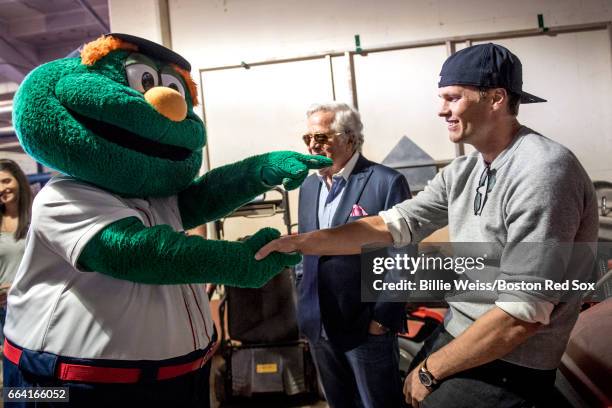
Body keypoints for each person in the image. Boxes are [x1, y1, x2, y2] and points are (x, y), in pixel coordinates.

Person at [256, 43, 599, 407]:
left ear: (496, 98)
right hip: (460, 333)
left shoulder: (542, 171)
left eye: (452, 98)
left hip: (509, 360)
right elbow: (393, 225)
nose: (441, 110)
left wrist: (429, 370)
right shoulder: (466, 170)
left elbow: (522, 314)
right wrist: (300, 243)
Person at [297, 102, 411, 408]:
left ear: (350, 137)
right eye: (307, 139)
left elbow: (403, 258)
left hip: (366, 326)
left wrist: (381, 320)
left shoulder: (386, 182)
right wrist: (303, 297)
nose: (311, 146)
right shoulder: (308, 187)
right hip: (318, 324)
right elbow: (305, 249)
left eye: (320, 137)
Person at [0, 159, 32, 345]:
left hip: (32, 305)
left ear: (18, 180)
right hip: (5, 309)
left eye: (6, 181)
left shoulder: (38, 215)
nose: (2, 188)